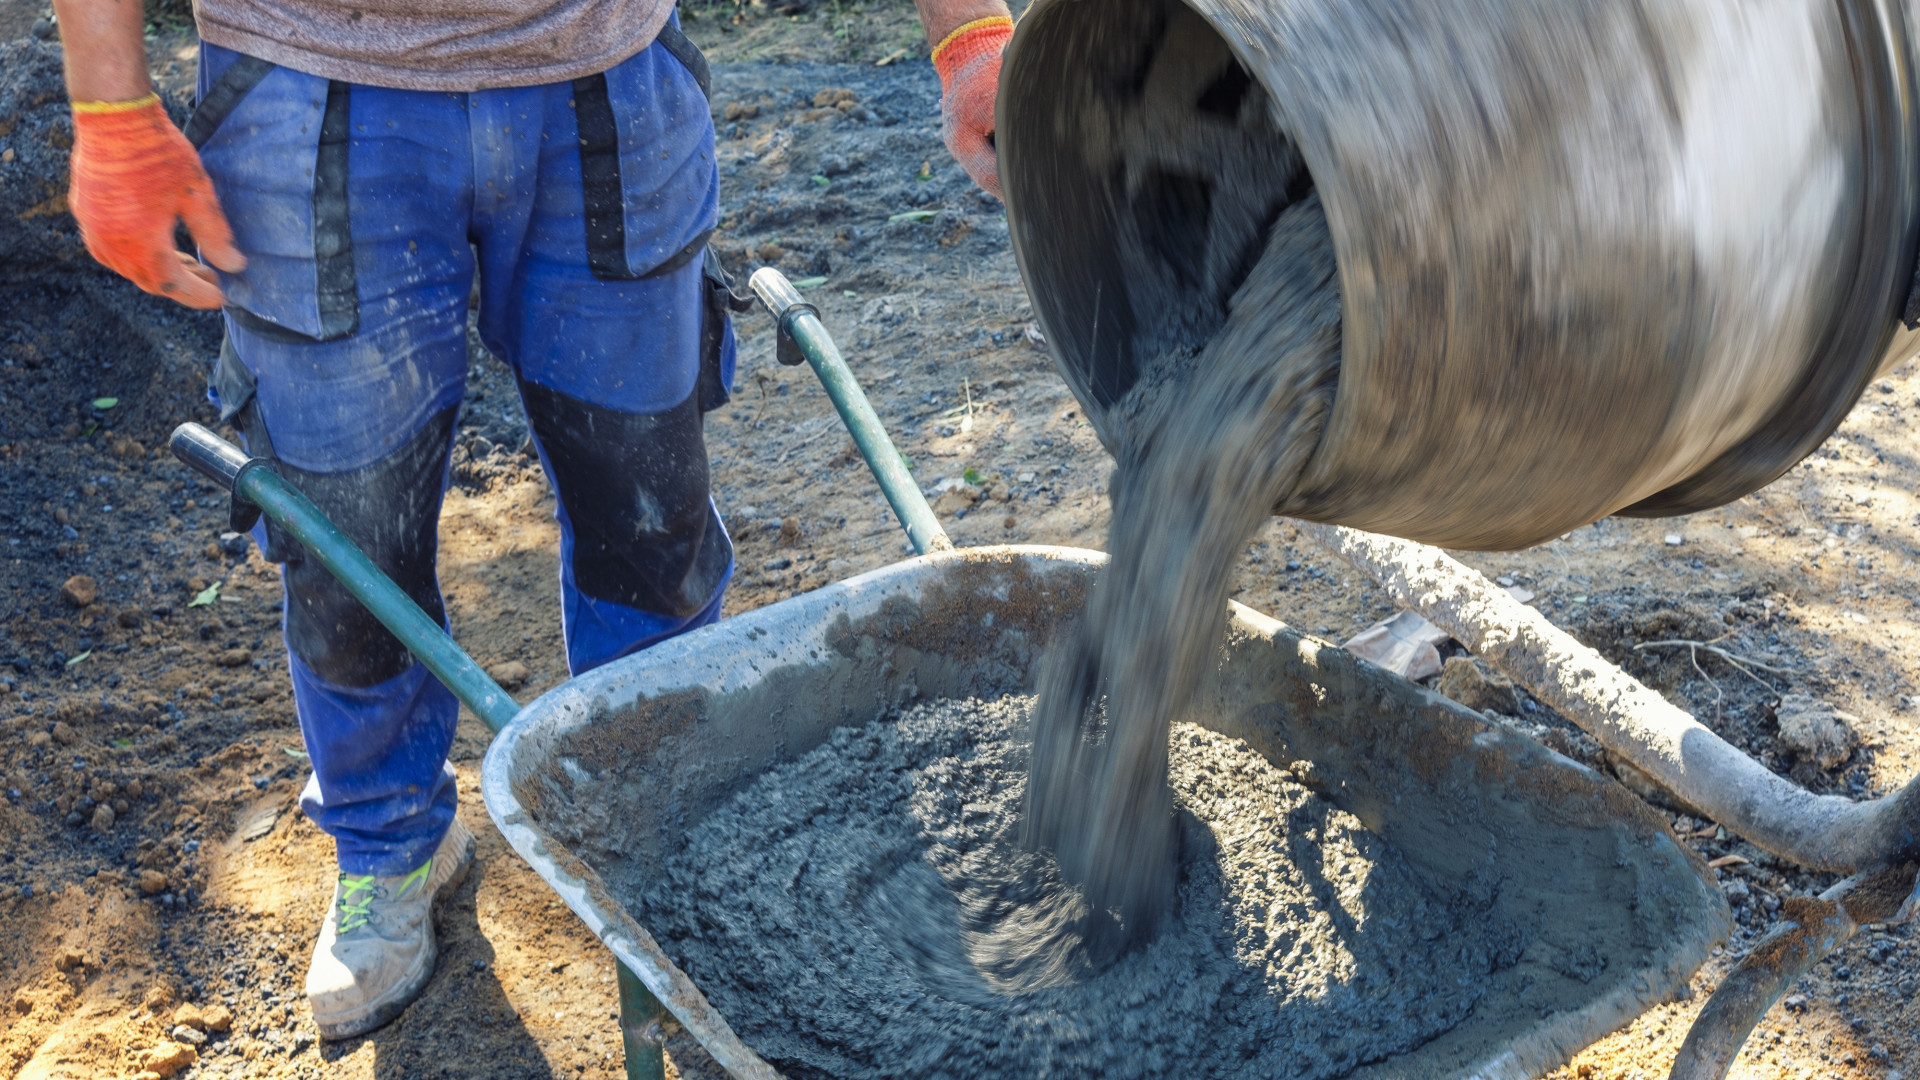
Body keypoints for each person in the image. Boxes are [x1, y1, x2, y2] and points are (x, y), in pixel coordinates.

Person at [54, 0, 1012, 1041]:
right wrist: (109, 101)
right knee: (349, 534)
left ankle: (666, 821)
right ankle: (389, 844)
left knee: (647, 513)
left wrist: (967, 32)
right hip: (310, 84)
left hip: (607, 70)